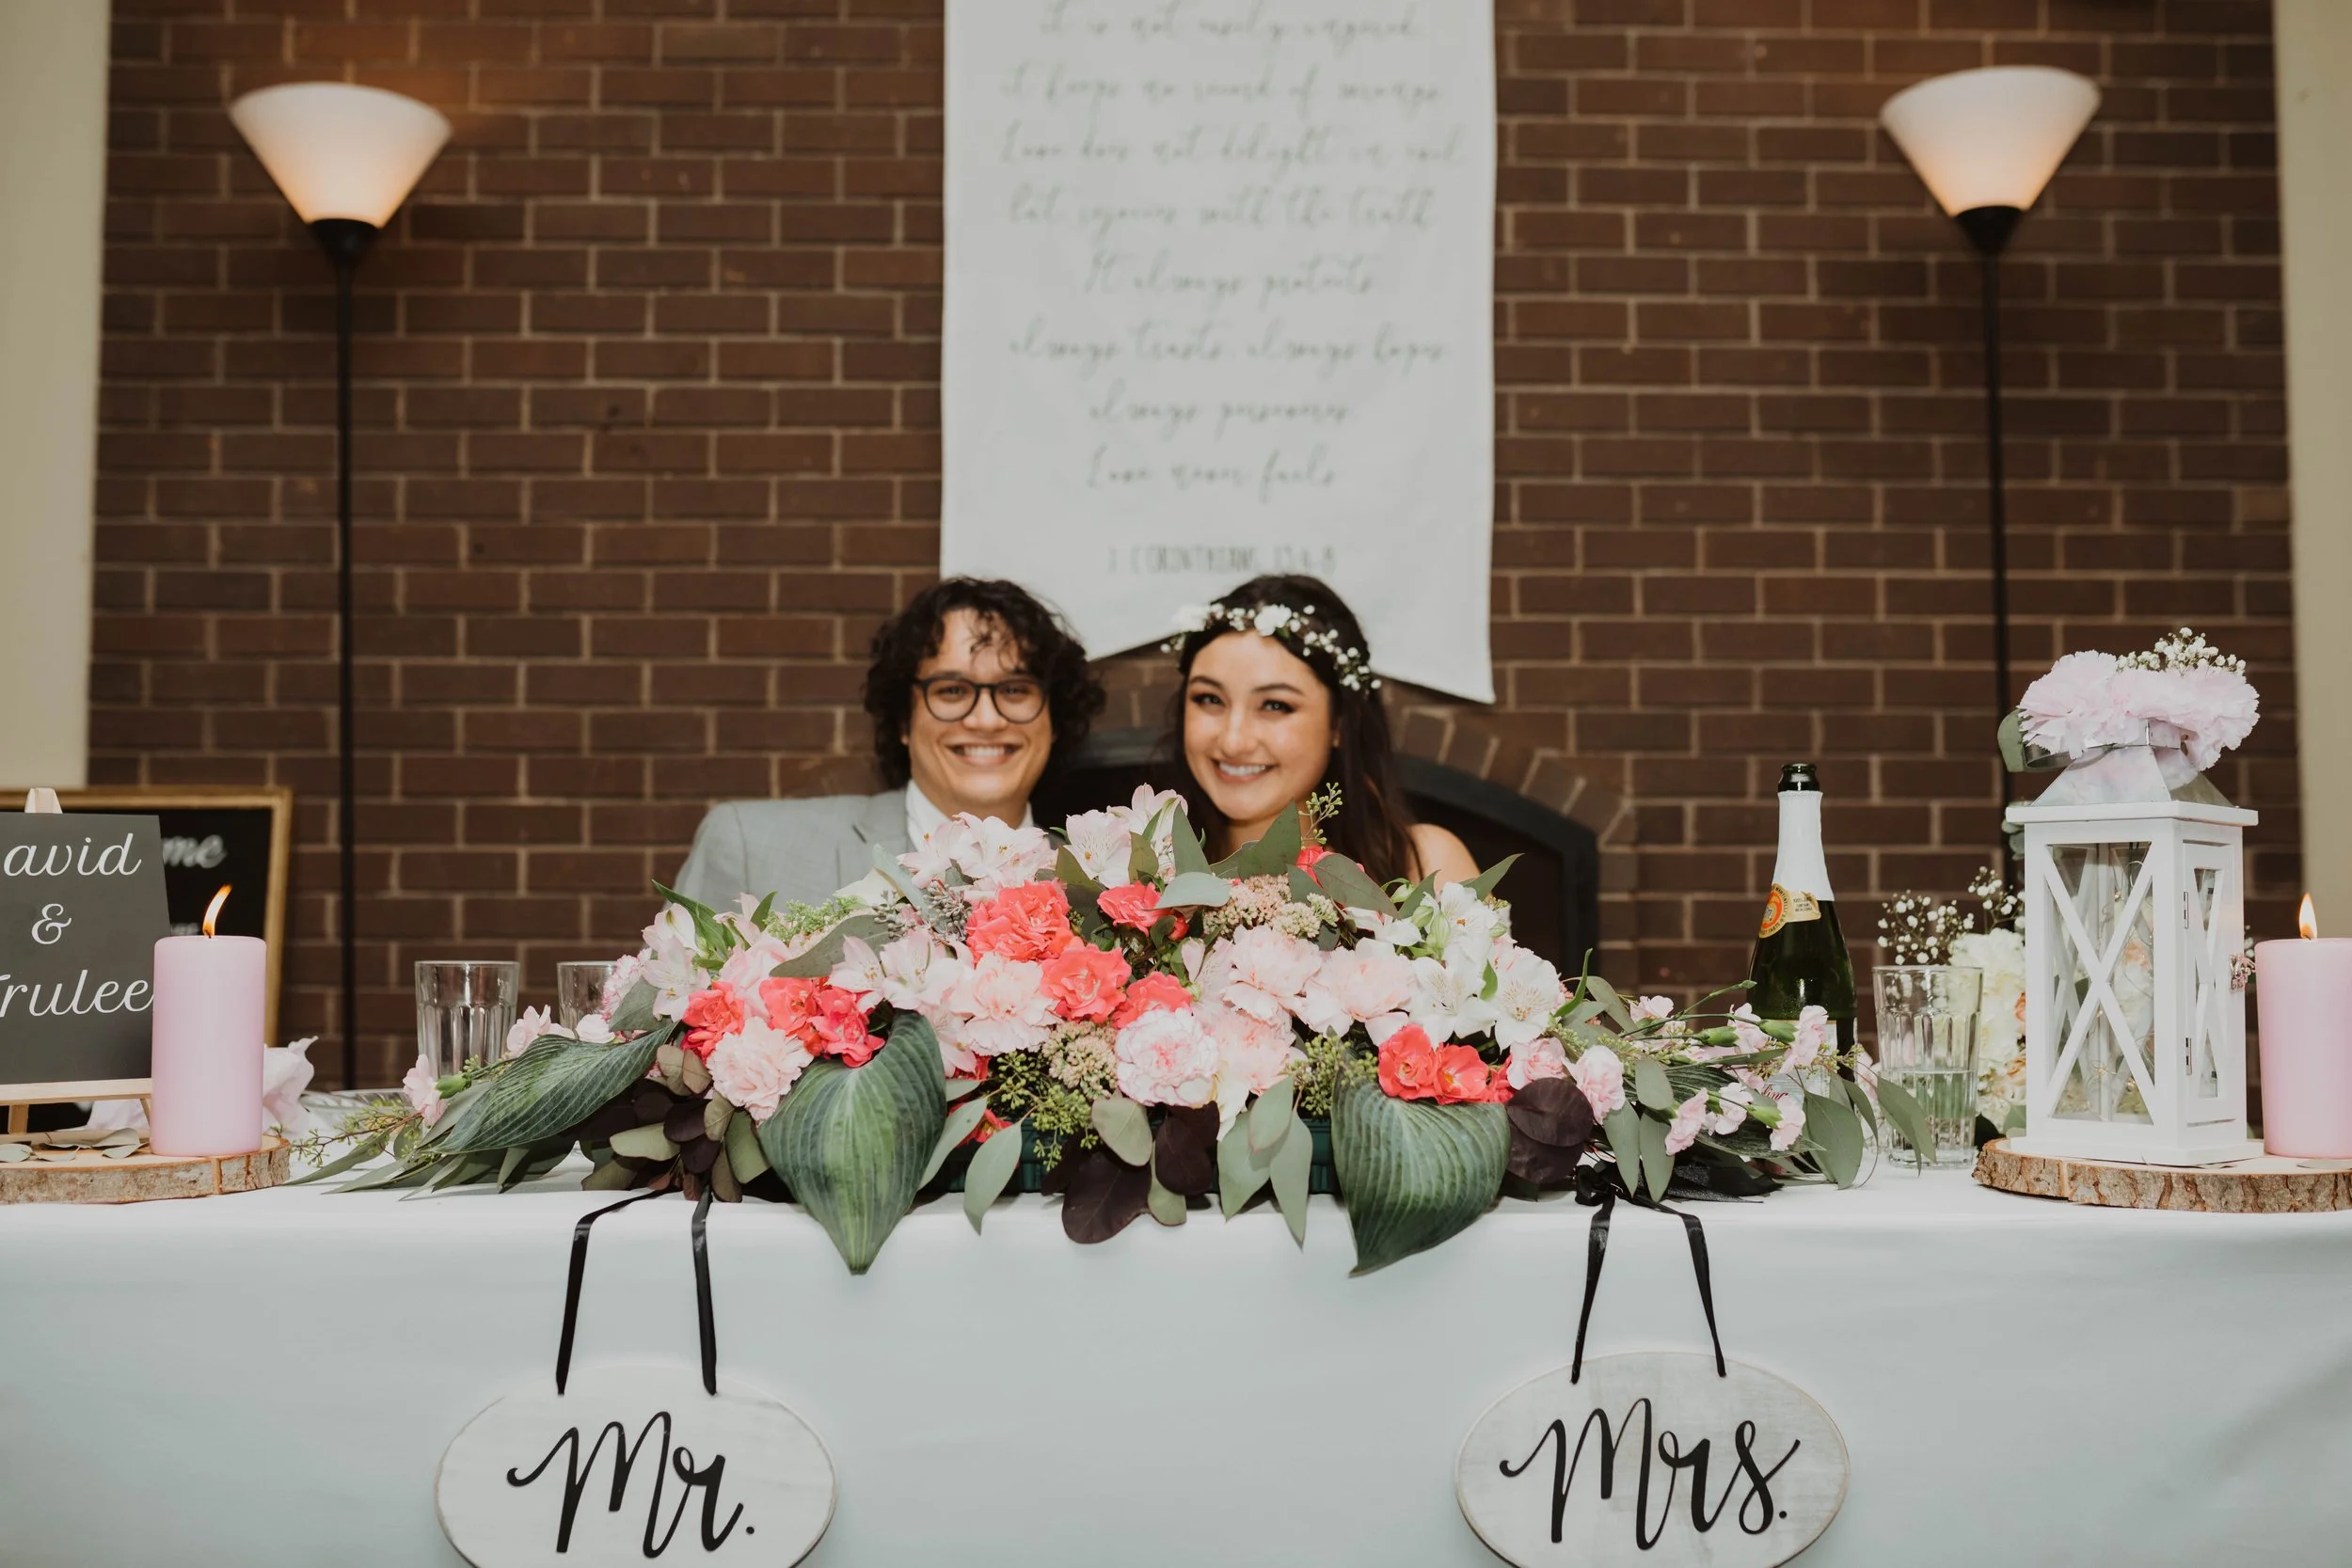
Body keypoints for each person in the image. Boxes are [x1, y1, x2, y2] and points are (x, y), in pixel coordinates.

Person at [673, 578, 1105, 910]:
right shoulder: (751, 849)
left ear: (1054, 719)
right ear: (902, 718)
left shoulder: (1102, 887)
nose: (987, 719)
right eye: (952, 691)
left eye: (1015, 690)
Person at [1159, 574, 1477, 886]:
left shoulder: (1426, 868)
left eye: (1275, 705)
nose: (1233, 741)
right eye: (1210, 699)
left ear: (1339, 722)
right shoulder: (1141, 873)